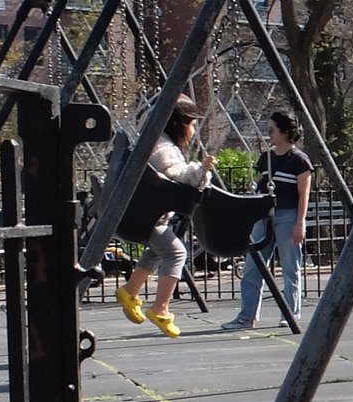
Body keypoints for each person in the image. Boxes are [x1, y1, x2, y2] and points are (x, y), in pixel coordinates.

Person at [118, 96, 211, 338]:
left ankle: (130, 290)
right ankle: (161, 308)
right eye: (191, 124)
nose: (192, 131)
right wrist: (201, 171)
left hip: (137, 213)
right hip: (146, 216)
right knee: (176, 253)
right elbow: (178, 175)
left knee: (157, 251)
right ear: (179, 124)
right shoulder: (164, 149)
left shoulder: (151, 142)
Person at [230, 110, 313, 330]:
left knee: (290, 266)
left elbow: (304, 194)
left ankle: (290, 313)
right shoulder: (265, 158)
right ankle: (247, 316)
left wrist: (300, 223)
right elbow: (259, 186)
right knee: (252, 266)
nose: (269, 134)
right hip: (264, 217)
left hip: (288, 215)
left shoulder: (299, 160)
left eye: (272, 130)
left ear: (285, 132)